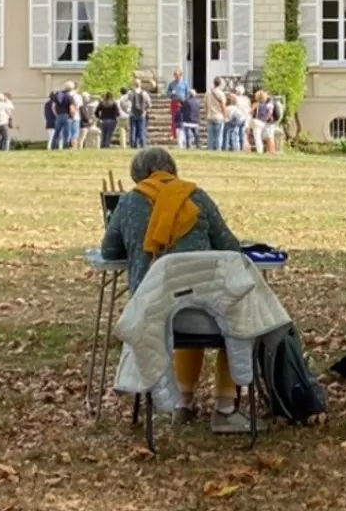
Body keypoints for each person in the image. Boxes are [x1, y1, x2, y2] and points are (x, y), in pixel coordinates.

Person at [100, 147, 244, 430]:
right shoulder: (196, 196)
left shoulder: (129, 203)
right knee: (235, 311)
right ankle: (225, 407)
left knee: (177, 299)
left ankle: (184, 402)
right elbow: (231, 248)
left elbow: (108, 250)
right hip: (206, 315)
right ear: (172, 170)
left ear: (138, 177)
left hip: (151, 316)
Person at [128, 79, 152, 150]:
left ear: (134, 84)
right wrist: (145, 109)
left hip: (132, 113)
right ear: (140, 84)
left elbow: (123, 101)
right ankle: (142, 144)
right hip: (142, 114)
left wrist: (127, 110)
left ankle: (133, 144)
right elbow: (149, 104)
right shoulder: (144, 93)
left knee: (133, 129)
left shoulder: (131, 93)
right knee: (141, 129)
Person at [205, 79, 227, 151]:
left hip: (210, 116)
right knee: (218, 135)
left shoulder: (208, 93)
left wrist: (206, 114)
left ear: (213, 83)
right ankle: (218, 149)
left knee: (210, 136)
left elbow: (205, 105)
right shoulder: (221, 93)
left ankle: (210, 149)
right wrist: (225, 116)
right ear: (220, 84)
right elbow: (223, 106)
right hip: (218, 116)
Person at [167, 69, 189, 142]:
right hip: (174, 102)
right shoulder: (171, 84)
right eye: (174, 75)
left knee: (183, 118)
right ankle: (173, 134)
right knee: (174, 118)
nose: (175, 77)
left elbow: (187, 93)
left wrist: (185, 101)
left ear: (180, 75)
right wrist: (171, 93)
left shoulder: (184, 84)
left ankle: (183, 135)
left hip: (182, 102)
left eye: (177, 75)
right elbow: (167, 93)